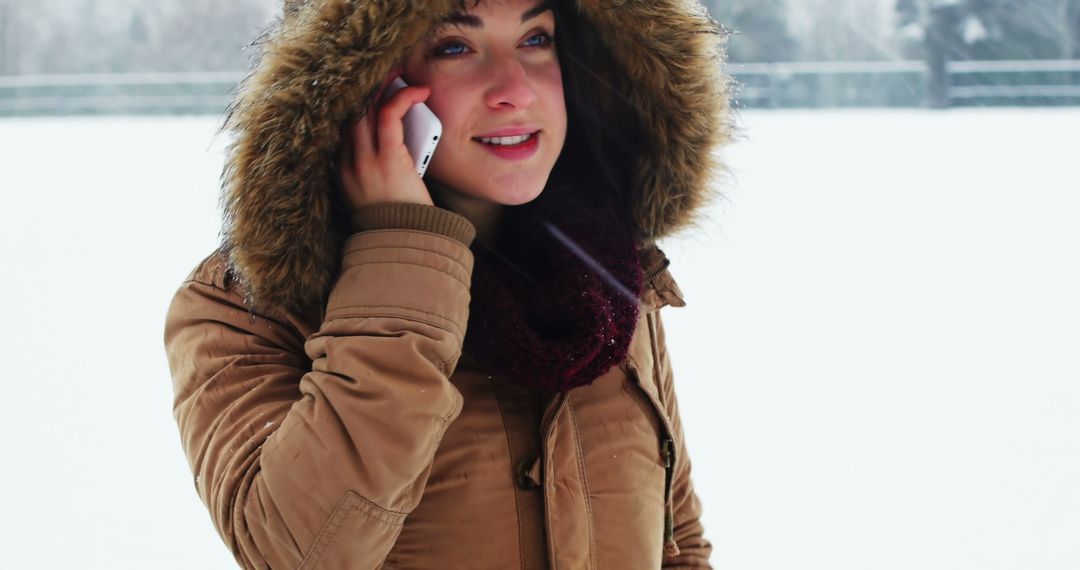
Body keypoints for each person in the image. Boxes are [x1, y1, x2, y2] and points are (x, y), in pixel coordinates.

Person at [164, 0, 730, 567]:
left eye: (537, 38)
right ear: (363, 87)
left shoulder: (604, 272)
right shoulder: (242, 307)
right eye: (454, 47)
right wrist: (400, 255)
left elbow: (677, 539)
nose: (516, 90)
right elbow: (297, 554)